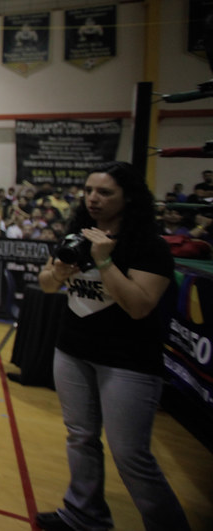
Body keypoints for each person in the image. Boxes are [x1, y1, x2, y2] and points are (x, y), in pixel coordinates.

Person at [36, 161, 190, 531]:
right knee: (80, 437)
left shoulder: (149, 247)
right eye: (89, 190)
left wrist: (104, 262)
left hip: (128, 362)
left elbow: (139, 306)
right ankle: (83, 514)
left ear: (129, 197)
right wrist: (58, 273)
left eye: (105, 192)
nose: (93, 198)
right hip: (72, 351)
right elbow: (45, 284)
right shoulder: (76, 233)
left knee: (130, 455)